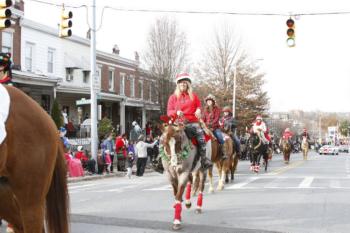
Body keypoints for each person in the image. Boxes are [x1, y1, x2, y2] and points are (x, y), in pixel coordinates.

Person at [167, 72, 212, 169]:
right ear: (178, 84)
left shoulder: (193, 96)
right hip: (178, 123)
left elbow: (199, 106)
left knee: (201, 136)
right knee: (164, 137)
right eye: (181, 82)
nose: (183, 84)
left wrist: (198, 109)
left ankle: (204, 160)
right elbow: (169, 111)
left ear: (188, 84)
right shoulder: (173, 97)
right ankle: (160, 161)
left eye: (185, 82)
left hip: (192, 123)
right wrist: (176, 112)